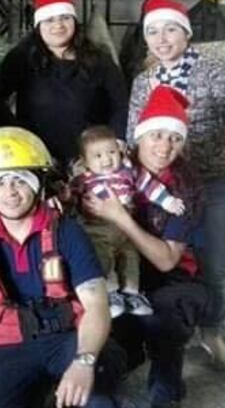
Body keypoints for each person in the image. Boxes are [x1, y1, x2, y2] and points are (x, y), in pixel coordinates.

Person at [0, 126, 118, 408]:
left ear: (38, 183)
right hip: (7, 347)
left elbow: (97, 304)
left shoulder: (67, 233)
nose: (10, 192)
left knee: (98, 399)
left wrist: (84, 362)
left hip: (68, 339)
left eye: (20, 181)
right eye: (0, 183)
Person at [127, 0, 225, 370]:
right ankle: (169, 326)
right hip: (158, 185)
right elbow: (134, 133)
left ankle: (212, 329)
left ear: (186, 33)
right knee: (164, 257)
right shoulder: (144, 80)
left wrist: (192, 158)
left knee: (212, 259)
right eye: (153, 32)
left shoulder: (215, 71)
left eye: (170, 30)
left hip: (211, 180)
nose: (162, 39)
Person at [85, 85, 208, 408]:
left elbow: (168, 260)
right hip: (116, 266)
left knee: (165, 316)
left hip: (170, 274)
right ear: (139, 136)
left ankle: (164, 390)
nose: (165, 147)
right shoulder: (110, 162)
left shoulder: (184, 183)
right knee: (97, 313)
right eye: (156, 135)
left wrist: (120, 218)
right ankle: (106, 383)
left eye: (175, 138)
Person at [0, 0, 129, 168]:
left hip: (91, 159)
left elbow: (120, 103)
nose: (58, 25)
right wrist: (15, 132)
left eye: (65, 18)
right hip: (36, 156)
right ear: (38, 26)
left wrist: (118, 140)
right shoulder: (21, 58)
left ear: (74, 21)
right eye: (49, 20)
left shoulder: (99, 60)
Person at [70, 125, 186, 318]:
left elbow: (149, 186)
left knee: (130, 257)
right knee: (102, 255)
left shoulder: (129, 172)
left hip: (126, 227)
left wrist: (168, 201)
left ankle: (131, 293)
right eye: (98, 156)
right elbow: (72, 197)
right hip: (98, 228)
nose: (107, 159)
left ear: (120, 150)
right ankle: (110, 292)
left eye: (111, 152)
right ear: (86, 161)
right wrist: (67, 197)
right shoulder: (84, 180)